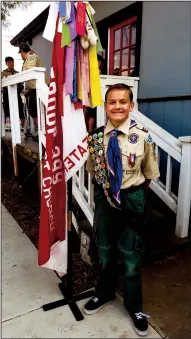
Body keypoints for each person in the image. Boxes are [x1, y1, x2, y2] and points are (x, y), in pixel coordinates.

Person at [84, 83, 160, 336]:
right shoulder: (95, 139)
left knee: (131, 255)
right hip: (105, 200)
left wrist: (133, 197)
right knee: (104, 251)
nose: (117, 106)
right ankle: (103, 293)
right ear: (105, 107)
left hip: (133, 199)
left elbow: (149, 174)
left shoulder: (144, 137)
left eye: (122, 101)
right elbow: (94, 173)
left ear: (131, 106)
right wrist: (110, 194)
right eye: (112, 102)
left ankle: (134, 306)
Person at [18, 43, 49, 140]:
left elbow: (29, 71)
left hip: (39, 88)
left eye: (20, 53)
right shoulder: (29, 58)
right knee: (34, 112)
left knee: (39, 113)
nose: (21, 56)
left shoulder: (31, 56)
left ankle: (45, 136)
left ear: (22, 52)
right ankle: (42, 134)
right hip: (33, 89)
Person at [1, 56, 24, 127]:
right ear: (6, 63)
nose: (11, 64)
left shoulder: (17, 73)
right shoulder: (3, 73)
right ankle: (11, 129)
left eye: (12, 62)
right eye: (9, 62)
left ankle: (22, 126)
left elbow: (21, 84)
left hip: (17, 94)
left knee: (20, 111)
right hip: (6, 94)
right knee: (8, 112)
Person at [84, 54, 104, 132]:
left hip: (95, 93)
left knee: (92, 114)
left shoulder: (95, 72)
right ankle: (89, 131)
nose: (99, 70)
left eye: (100, 67)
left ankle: (89, 131)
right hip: (90, 94)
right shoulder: (88, 72)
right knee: (90, 114)